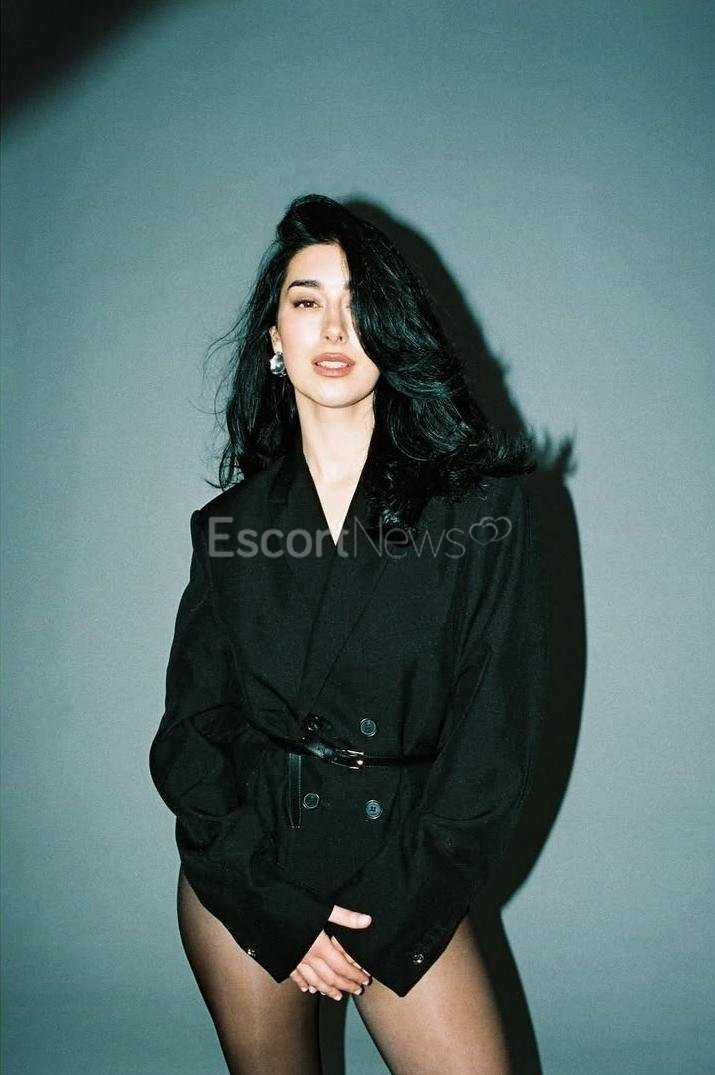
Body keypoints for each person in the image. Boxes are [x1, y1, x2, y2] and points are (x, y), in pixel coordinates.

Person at [149, 194, 549, 1074]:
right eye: (307, 300)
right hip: (250, 871)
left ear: (392, 332)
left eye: (359, 301)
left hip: (399, 868)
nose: (333, 326)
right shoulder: (230, 528)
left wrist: (396, 907)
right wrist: (269, 904)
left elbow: (493, 749)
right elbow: (190, 736)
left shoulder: (482, 513)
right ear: (274, 337)